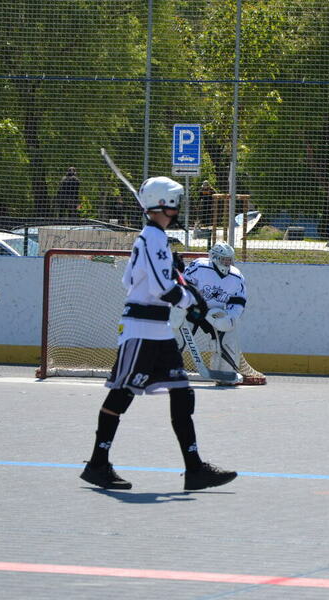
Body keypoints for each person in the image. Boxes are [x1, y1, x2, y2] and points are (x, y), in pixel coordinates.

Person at [80, 176, 237, 492]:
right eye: (177, 201)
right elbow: (160, 289)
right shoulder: (151, 238)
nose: (181, 207)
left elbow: (131, 280)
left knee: (182, 393)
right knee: (121, 394)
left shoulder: (155, 239)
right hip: (141, 330)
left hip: (159, 330)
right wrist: (191, 299)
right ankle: (97, 464)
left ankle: (195, 469)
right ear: (165, 204)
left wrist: (175, 275)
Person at [178, 241, 247, 386]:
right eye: (224, 259)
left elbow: (239, 301)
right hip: (194, 310)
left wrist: (231, 317)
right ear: (214, 257)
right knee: (178, 338)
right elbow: (184, 285)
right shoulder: (199, 266)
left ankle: (225, 374)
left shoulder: (237, 276)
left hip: (215, 314)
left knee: (227, 340)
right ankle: (165, 370)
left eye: (229, 259)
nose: (227, 262)